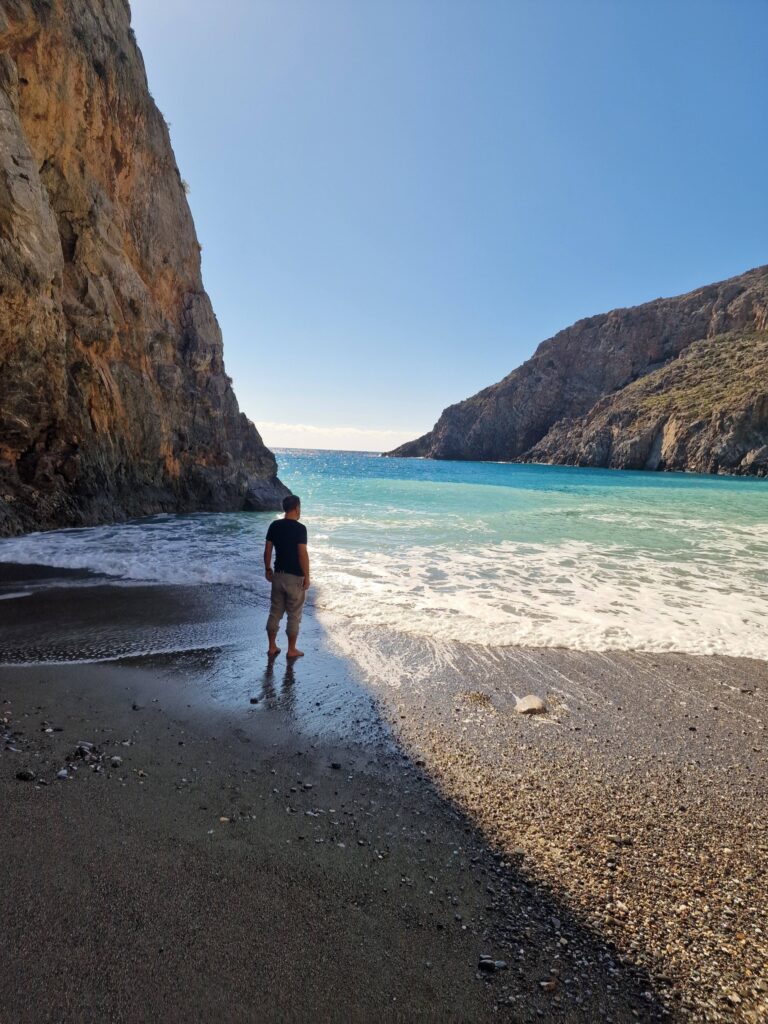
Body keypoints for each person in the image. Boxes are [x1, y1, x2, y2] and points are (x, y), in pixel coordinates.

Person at [264, 494, 310, 659]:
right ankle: (291, 649)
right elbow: (302, 554)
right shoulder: (300, 529)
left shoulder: (274, 525)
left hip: (278, 575)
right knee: (294, 615)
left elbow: (268, 549)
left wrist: (267, 568)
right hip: (295, 578)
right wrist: (307, 576)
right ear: (297, 508)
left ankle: (272, 647)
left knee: (275, 612)